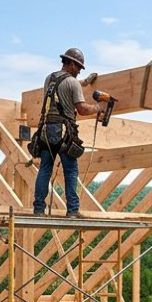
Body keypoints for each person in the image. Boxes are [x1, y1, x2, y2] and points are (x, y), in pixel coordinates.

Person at [32, 47, 113, 217]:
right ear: (72, 64)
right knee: (70, 171)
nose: (78, 71)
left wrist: (84, 82)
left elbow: (65, 86)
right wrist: (99, 107)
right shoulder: (73, 83)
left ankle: (38, 209)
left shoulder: (50, 78)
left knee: (45, 169)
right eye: (78, 67)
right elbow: (82, 109)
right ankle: (72, 210)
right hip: (63, 132)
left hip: (45, 131)